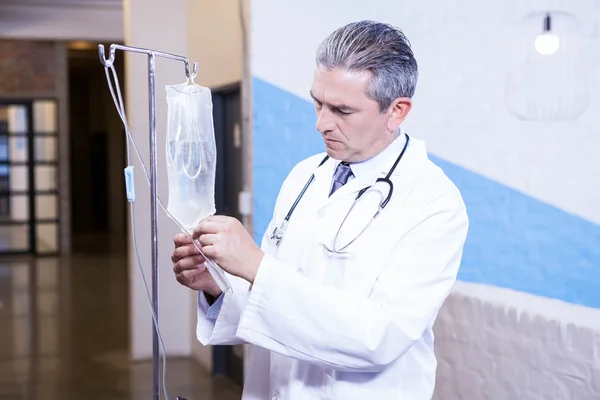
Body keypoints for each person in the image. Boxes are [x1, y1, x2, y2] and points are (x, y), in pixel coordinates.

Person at [172, 20, 469, 400]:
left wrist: (255, 265)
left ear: (397, 111)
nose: (320, 123)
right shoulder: (304, 177)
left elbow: (379, 337)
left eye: (342, 110)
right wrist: (217, 288)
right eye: (317, 102)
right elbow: (270, 300)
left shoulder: (434, 202)